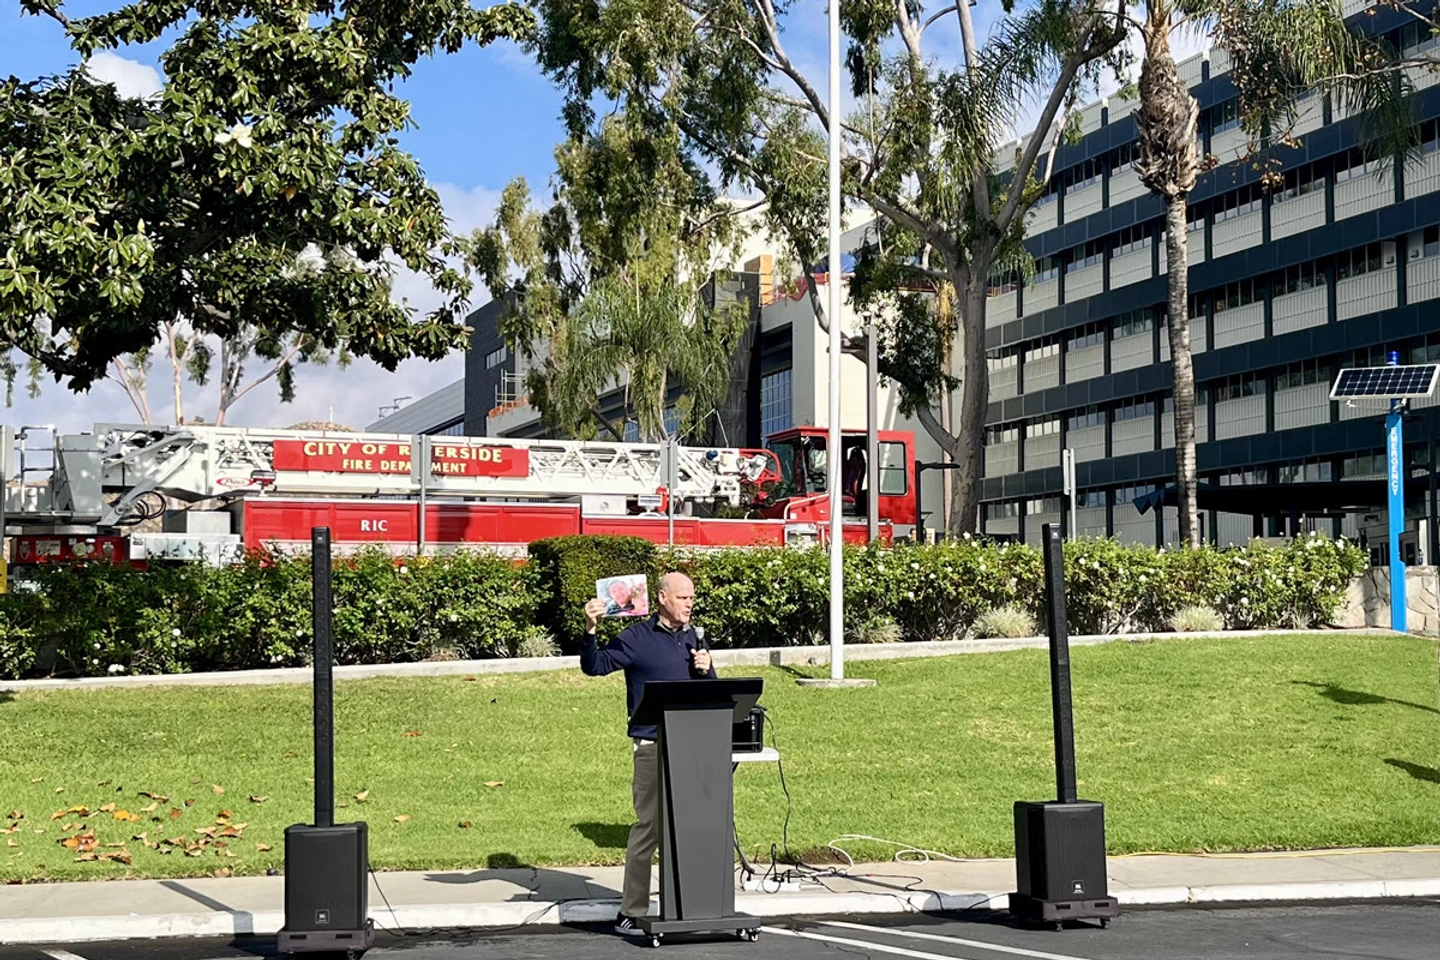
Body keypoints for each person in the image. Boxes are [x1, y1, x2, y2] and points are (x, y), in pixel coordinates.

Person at [580, 572, 715, 937]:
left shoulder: (694, 638)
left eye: (692, 597)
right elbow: (594, 666)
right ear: (661, 598)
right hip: (652, 744)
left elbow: (713, 695)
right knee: (649, 827)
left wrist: (707, 671)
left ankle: (689, 904)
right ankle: (631, 910)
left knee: (691, 827)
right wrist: (590, 630)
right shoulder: (638, 638)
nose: (690, 604)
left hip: (693, 746)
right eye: (683, 597)